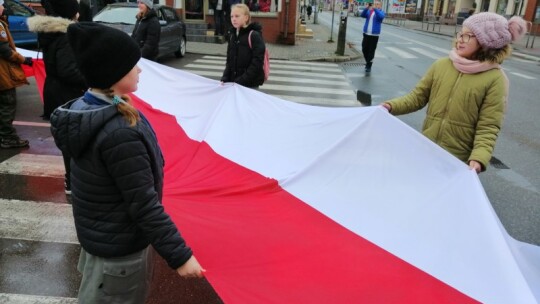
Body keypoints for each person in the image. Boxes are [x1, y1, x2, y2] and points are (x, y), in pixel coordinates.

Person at [50, 22, 205, 303]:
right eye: (133, 64)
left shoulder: (91, 110)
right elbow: (143, 204)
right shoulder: (119, 131)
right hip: (119, 257)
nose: (140, 69)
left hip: (105, 240)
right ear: (113, 73)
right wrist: (180, 256)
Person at [382, 13, 527, 173]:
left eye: (468, 36)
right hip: (427, 150)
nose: (460, 39)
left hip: (458, 161)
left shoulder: (495, 79)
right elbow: (416, 98)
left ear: (485, 42)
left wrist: (479, 157)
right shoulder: (441, 65)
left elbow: (488, 125)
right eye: (460, 34)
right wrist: (390, 106)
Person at [28, 0, 87, 194]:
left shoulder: (51, 33)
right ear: (71, 13)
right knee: (73, 140)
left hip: (55, 93)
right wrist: (91, 80)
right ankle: (73, 181)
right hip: (67, 95)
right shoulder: (65, 36)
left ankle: (71, 179)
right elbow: (68, 70)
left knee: (67, 139)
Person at [0, 0, 33, 149]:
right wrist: (24, 60)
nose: (4, 8)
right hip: (2, 74)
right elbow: (5, 51)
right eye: (1, 5)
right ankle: (7, 137)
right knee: (7, 104)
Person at [221, 4, 266, 89]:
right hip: (235, 84)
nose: (233, 19)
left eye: (237, 16)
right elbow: (229, 60)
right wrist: (225, 77)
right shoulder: (232, 35)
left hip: (250, 85)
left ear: (246, 18)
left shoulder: (254, 35)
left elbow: (257, 62)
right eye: (232, 16)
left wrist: (242, 80)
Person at [360, 1, 385, 73]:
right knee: (364, 49)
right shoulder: (369, 12)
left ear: (380, 6)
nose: (375, 5)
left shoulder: (381, 12)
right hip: (366, 33)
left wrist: (376, 9)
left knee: (371, 51)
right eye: (375, 4)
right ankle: (368, 61)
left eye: (377, 4)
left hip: (374, 35)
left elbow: (381, 17)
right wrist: (367, 8)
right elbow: (362, 15)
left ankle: (368, 66)